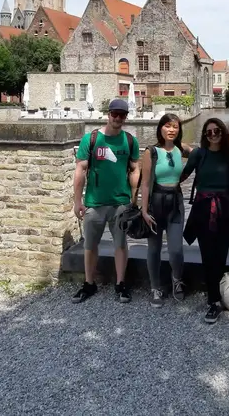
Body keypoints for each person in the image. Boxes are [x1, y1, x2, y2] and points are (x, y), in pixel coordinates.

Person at [71, 99, 140, 304]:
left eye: (122, 115)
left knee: (121, 244)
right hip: (95, 202)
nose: (118, 118)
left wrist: (134, 198)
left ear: (126, 117)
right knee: (90, 245)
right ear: (108, 114)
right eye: (114, 114)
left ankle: (120, 284)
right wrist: (77, 200)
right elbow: (80, 170)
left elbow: (135, 169)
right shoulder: (91, 139)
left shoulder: (130, 141)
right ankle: (89, 283)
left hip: (121, 202)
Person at [181, 118, 229, 324]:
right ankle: (213, 301)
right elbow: (183, 175)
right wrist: (154, 185)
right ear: (205, 135)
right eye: (209, 132)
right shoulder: (199, 154)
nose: (213, 135)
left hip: (224, 209)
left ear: (223, 132)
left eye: (217, 131)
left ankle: (218, 294)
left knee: (220, 255)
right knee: (207, 256)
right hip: (203, 208)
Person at [141, 114, 191, 308]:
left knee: (176, 249)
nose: (171, 130)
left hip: (175, 201)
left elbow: (200, 153)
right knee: (154, 248)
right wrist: (144, 210)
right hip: (156, 202)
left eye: (175, 127)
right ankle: (155, 287)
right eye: (168, 126)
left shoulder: (181, 149)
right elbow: (145, 184)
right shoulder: (151, 152)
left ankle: (177, 279)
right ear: (160, 128)